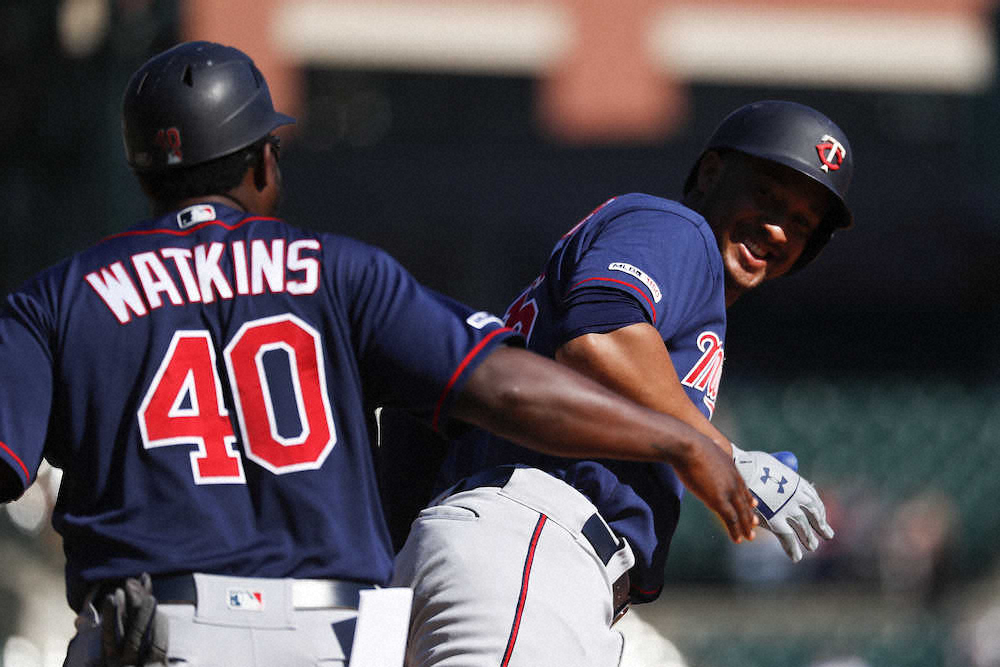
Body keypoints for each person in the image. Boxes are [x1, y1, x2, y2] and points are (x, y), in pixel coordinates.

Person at [0, 41, 759, 667]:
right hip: (322, 637)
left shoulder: (54, 300)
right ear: (263, 162)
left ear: (139, 171)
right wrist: (684, 437)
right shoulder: (339, 272)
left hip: (148, 630)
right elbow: (507, 391)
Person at [389, 100, 848, 666]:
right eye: (767, 196)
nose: (779, 227)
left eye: (801, 223)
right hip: (530, 541)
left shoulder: (685, 289)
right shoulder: (677, 230)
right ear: (711, 175)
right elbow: (600, 333)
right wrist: (722, 454)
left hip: (523, 557)